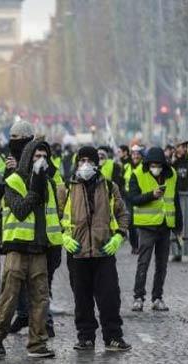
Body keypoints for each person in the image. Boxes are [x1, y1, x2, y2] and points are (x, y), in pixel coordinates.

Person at [0, 138, 58, 358]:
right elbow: (20, 210)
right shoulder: (14, 181)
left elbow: (54, 216)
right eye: (37, 156)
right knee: (9, 296)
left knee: (40, 298)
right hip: (17, 247)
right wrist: (35, 188)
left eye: (44, 157)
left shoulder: (50, 183)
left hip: (40, 248)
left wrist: (55, 247)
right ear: (28, 158)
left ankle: (37, 344)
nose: (41, 161)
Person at [59, 146, 132, 352]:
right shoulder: (66, 187)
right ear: (76, 163)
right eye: (81, 160)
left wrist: (119, 236)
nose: (85, 165)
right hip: (77, 252)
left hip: (103, 252)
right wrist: (64, 237)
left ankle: (113, 337)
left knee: (109, 297)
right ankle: (86, 337)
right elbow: (55, 218)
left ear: (96, 164)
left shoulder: (109, 186)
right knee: (82, 299)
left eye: (89, 160)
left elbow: (122, 214)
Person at [130, 147, 183, 312]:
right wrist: (151, 195)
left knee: (162, 265)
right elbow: (133, 199)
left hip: (165, 226)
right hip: (146, 226)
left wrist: (179, 228)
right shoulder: (137, 174)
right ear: (147, 164)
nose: (155, 167)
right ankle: (138, 297)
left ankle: (157, 298)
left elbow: (175, 201)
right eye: (152, 165)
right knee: (143, 263)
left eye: (158, 165)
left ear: (163, 165)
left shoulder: (171, 175)